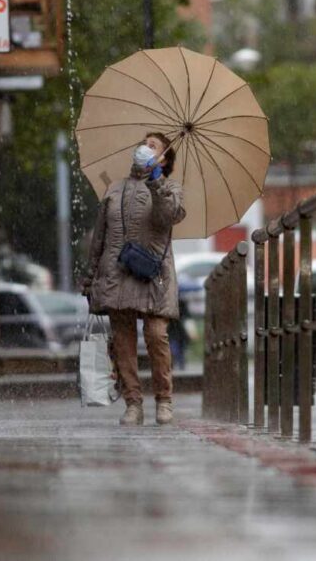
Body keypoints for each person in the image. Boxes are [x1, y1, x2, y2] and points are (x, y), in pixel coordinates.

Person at [83, 132, 186, 426]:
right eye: (142, 143)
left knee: (156, 335)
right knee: (123, 342)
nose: (144, 148)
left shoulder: (170, 188)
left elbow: (169, 216)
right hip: (117, 274)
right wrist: (89, 276)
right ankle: (133, 403)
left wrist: (156, 182)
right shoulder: (114, 191)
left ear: (163, 159)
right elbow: (99, 238)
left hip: (154, 275)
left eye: (152, 146)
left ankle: (164, 400)